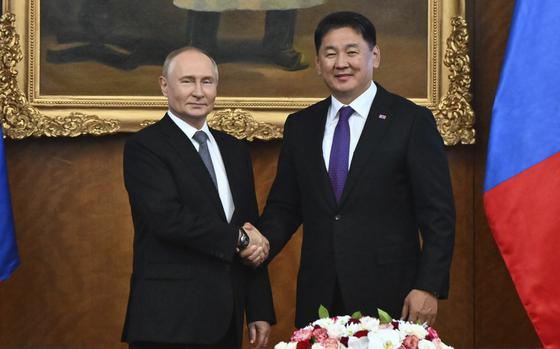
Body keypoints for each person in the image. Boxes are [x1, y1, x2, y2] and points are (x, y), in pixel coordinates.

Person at [245, 11, 455, 327]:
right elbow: (286, 207)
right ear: (318, 63)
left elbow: (438, 214)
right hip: (319, 293)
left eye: (352, 51)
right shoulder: (302, 126)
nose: (341, 63)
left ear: (375, 56)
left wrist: (428, 285)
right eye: (330, 54)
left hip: (391, 293)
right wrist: (255, 244)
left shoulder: (410, 121)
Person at [121, 46, 275, 349]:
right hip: (168, 321)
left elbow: (249, 226)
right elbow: (167, 219)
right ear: (164, 85)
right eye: (187, 81)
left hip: (227, 318)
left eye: (207, 82)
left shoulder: (234, 150)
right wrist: (240, 240)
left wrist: (258, 308)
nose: (198, 92)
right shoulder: (145, 147)